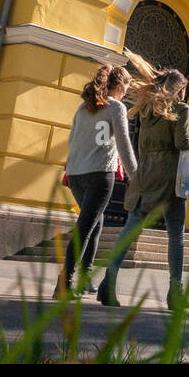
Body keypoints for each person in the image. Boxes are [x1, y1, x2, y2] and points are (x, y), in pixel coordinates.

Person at [98, 51, 189, 309]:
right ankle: (175, 293)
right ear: (178, 90)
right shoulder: (182, 109)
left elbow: (142, 142)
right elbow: (182, 143)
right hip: (170, 176)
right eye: (183, 90)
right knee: (176, 235)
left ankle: (108, 283)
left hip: (145, 173)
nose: (184, 95)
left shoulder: (146, 109)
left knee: (130, 229)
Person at [54, 65, 137, 298]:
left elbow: (72, 140)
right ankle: (65, 282)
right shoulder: (117, 107)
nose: (126, 92)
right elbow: (123, 145)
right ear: (119, 85)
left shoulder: (83, 107)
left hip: (77, 175)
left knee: (95, 222)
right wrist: (136, 177)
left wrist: (68, 169)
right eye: (127, 87)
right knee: (85, 226)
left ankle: (86, 278)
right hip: (100, 174)